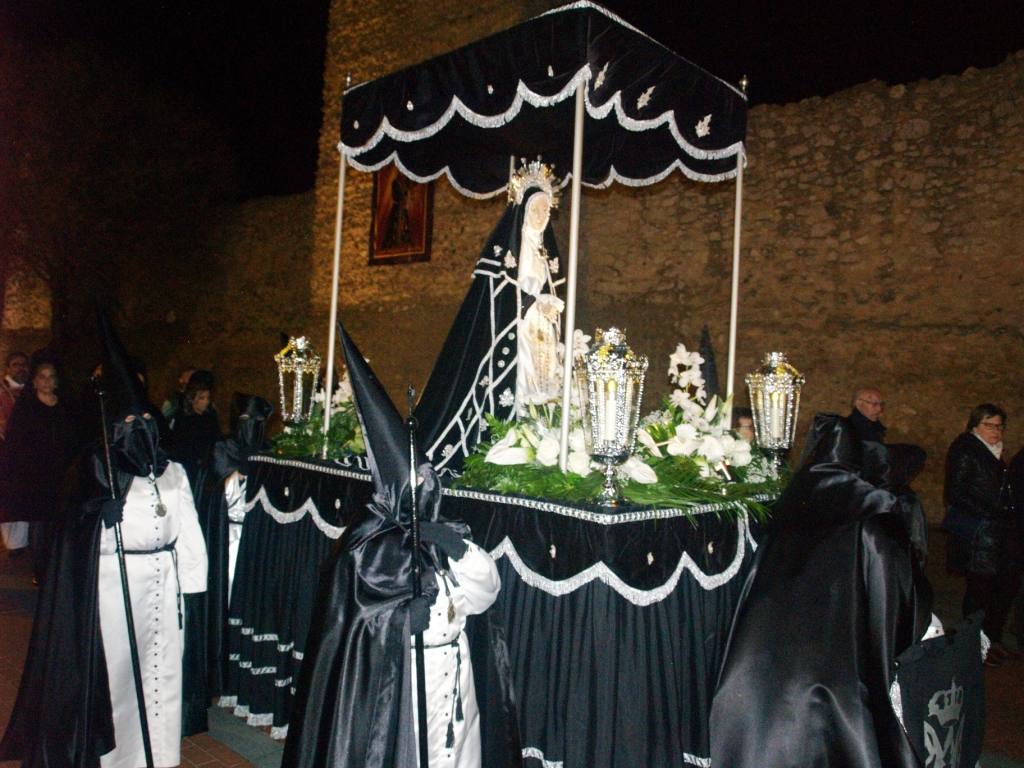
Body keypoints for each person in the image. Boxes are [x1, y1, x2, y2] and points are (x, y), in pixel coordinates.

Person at [281, 324, 521, 768]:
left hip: (454, 677)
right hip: (402, 686)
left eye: (429, 479)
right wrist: (396, 622)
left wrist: (459, 550)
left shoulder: (444, 531)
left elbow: (486, 596)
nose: (426, 489)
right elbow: (353, 628)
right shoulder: (366, 547)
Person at [0, 314, 208, 768]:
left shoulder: (173, 471)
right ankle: (119, 757)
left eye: (145, 421)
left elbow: (189, 529)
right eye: (129, 421)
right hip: (116, 588)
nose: (139, 428)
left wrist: (193, 590)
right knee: (119, 677)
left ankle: (160, 753)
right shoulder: (96, 471)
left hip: (164, 587)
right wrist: (97, 517)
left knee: (162, 673)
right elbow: (70, 536)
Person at [710, 413, 944, 768]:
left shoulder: (785, 513)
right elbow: (893, 602)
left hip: (755, 671)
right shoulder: (870, 520)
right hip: (834, 680)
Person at [415, 160, 561, 474]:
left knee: (545, 394)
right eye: (537, 209)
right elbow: (503, 294)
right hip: (516, 333)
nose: (543, 216)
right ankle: (509, 448)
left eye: (547, 210)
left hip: (541, 337)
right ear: (522, 211)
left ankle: (541, 452)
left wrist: (550, 309)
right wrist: (536, 304)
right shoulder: (511, 251)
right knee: (519, 388)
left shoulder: (544, 253)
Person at [942, 403, 1020, 664]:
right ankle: (975, 644)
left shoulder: (993, 453)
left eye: (999, 426)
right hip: (980, 535)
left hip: (997, 535)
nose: (996, 431)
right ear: (975, 425)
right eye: (990, 425)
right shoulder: (967, 450)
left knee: (1004, 586)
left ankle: (990, 640)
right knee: (980, 591)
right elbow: (955, 493)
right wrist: (992, 513)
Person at [0, 354, 82, 583]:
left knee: (57, 524)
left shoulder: (65, 407)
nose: (46, 382)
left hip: (60, 476)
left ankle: (56, 568)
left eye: (51, 377)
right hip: (33, 476)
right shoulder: (26, 408)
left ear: (56, 381)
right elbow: (16, 443)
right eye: (42, 377)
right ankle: (40, 571)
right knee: (38, 523)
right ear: (34, 381)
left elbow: (74, 438)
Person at [0, 351, 30, 555]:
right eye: (15, 364)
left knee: (24, 497)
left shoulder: (32, 391)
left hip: (27, 453)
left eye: (23, 365)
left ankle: (20, 544)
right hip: (3, 450)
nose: (20, 368)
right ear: (8, 368)